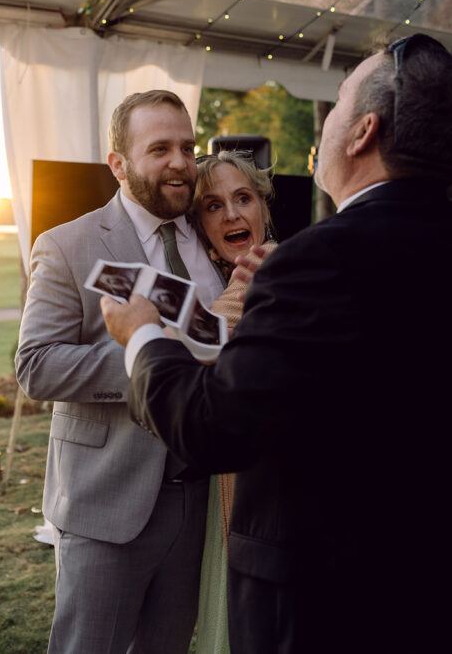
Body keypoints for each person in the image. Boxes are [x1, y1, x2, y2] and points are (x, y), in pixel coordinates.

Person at [101, 35, 452, 653]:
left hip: (344, 610)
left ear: (362, 132)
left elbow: (214, 429)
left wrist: (142, 333)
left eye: (336, 101)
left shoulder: (319, 260)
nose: (328, 118)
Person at [15, 89, 224, 653]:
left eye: (187, 147)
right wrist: (149, 352)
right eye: (160, 148)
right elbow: (35, 366)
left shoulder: (214, 237)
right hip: (106, 501)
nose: (180, 162)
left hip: (198, 499)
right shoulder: (69, 245)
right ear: (118, 163)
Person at [189, 150, 278, 654]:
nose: (232, 214)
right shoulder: (218, 274)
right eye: (213, 205)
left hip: (260, 486)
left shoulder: (267, 263)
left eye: (243, 198)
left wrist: (146, 323)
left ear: (263, 205)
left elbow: (210, 331)